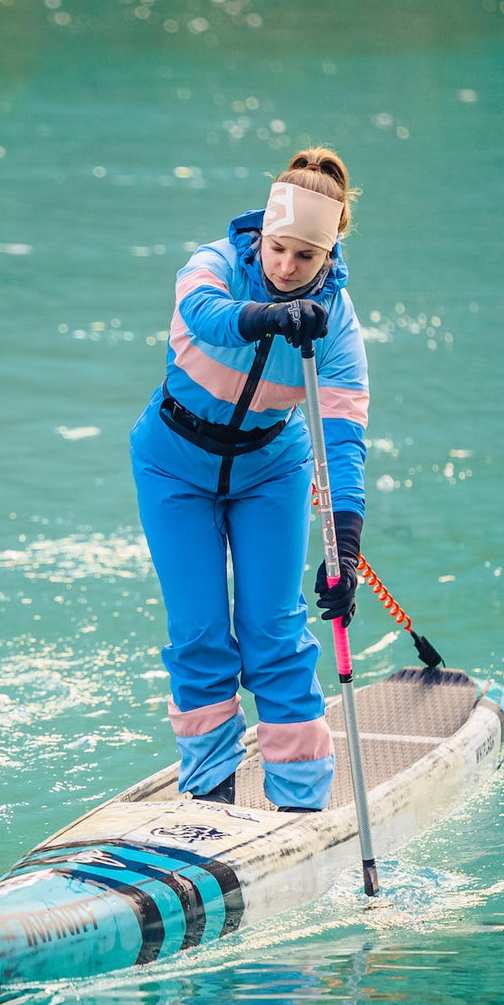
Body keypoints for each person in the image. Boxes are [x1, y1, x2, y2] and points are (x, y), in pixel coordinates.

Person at [129, 148, 368, 812]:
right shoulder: (211, 263)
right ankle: (210, 790)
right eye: (276, 247)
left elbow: (343, 443)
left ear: (329, 257)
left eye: (304, 257)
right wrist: (267, 316)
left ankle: (299, 803)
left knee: (275, 629)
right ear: (260, 231)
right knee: (200, 631)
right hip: (172, 460)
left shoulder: (338, 325)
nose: (285, 266)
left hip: (271, 469)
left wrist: (345, 551)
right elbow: (203, 313)